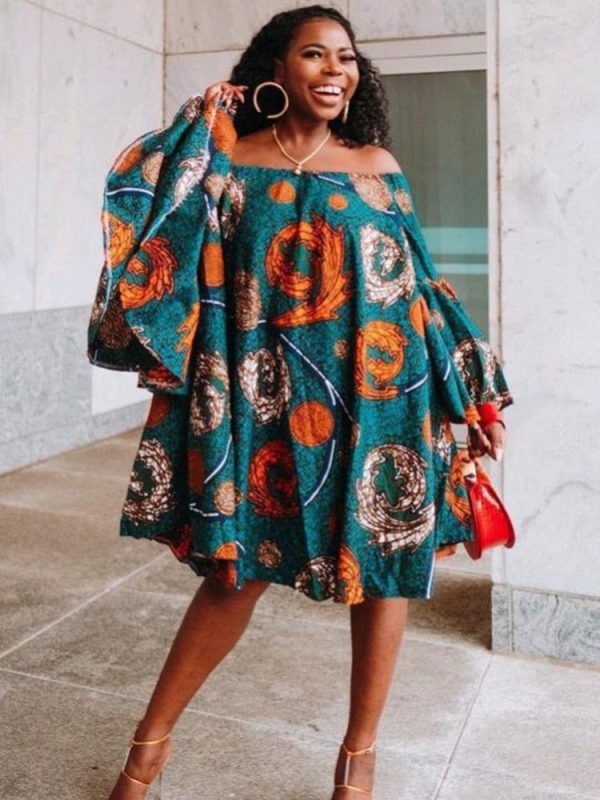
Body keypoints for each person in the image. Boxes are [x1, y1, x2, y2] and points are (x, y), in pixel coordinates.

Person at [88, 5, 512, 799]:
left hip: (385, 395)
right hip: (262, 399)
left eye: (346, 58)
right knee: (233, 576)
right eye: (315, 54)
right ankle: (149, 746)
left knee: (385, 571)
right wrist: (199, 123)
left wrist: (475, 398)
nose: (335, 70)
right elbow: (145, 209)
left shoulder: (375, 165)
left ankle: (358, 763)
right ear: (275, 68)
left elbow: (422, 288)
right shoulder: (227, 161)